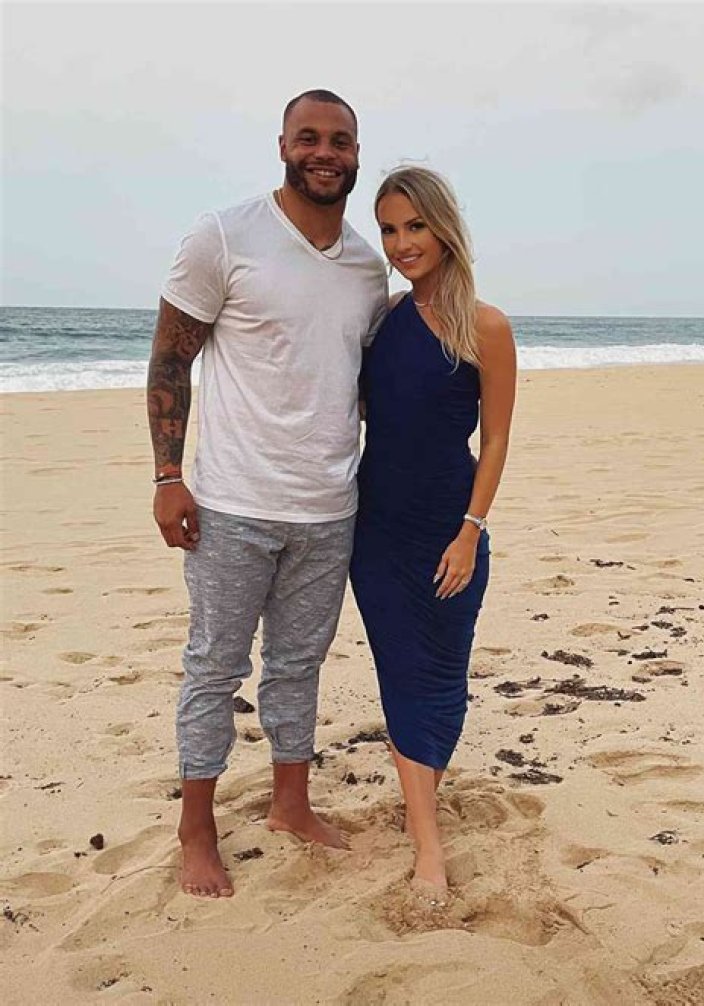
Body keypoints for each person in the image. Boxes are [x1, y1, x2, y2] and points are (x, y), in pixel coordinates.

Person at [147, 89, 387, 899]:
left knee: (297, 666)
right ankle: (196, 828)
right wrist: (168, 476)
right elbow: (170, 359)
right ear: (283, 145)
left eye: (340, 141)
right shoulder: (224, 235)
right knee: (214, 667)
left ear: (357, 154)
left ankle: (291, 805)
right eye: (309, 137)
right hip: (232, 504)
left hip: (329, 508)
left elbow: (355, 384)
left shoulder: (367, 266)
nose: (325, 152)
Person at [350, 166, 516, 901]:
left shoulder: (486, 326)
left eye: (415, 226)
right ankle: (428, 845)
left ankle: (420, 801)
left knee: (443, 680)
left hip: (451, 529)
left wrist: (470, 531)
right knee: (400, 676)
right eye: (389, 229)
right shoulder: (381, 321)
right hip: (377, 532)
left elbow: (497, 439)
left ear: (444, 228)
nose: (401, 243)